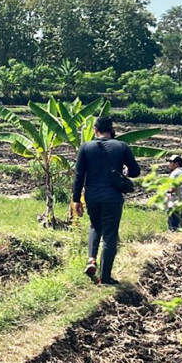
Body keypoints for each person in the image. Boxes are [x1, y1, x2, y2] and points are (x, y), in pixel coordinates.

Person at [72, 116, 141, 285]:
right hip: (112, 197)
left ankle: (91, 259)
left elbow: (79, 175)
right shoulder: (121, 146)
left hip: (92, 195)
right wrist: (124, 172)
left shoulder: (85, 147)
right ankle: (105, 277)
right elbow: (135, 171)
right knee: (110, 236)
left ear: (95, 130)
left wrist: (76, 200)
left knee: (95, 226)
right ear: (112, 130)